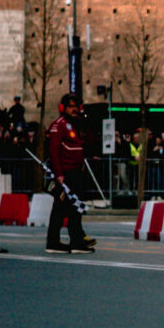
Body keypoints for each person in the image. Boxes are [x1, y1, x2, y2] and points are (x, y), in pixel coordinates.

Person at [46, 93, 95, 253]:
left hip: (76, 171)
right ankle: (55, 241)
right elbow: (54, 151)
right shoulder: (59, 124)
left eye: (76, 106)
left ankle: (75, 240)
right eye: (71, 106)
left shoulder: (76, 125)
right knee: (61, 207)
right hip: (65, 173)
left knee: (75, 207)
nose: (74, 109)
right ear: (63, 108)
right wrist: (59, 173)